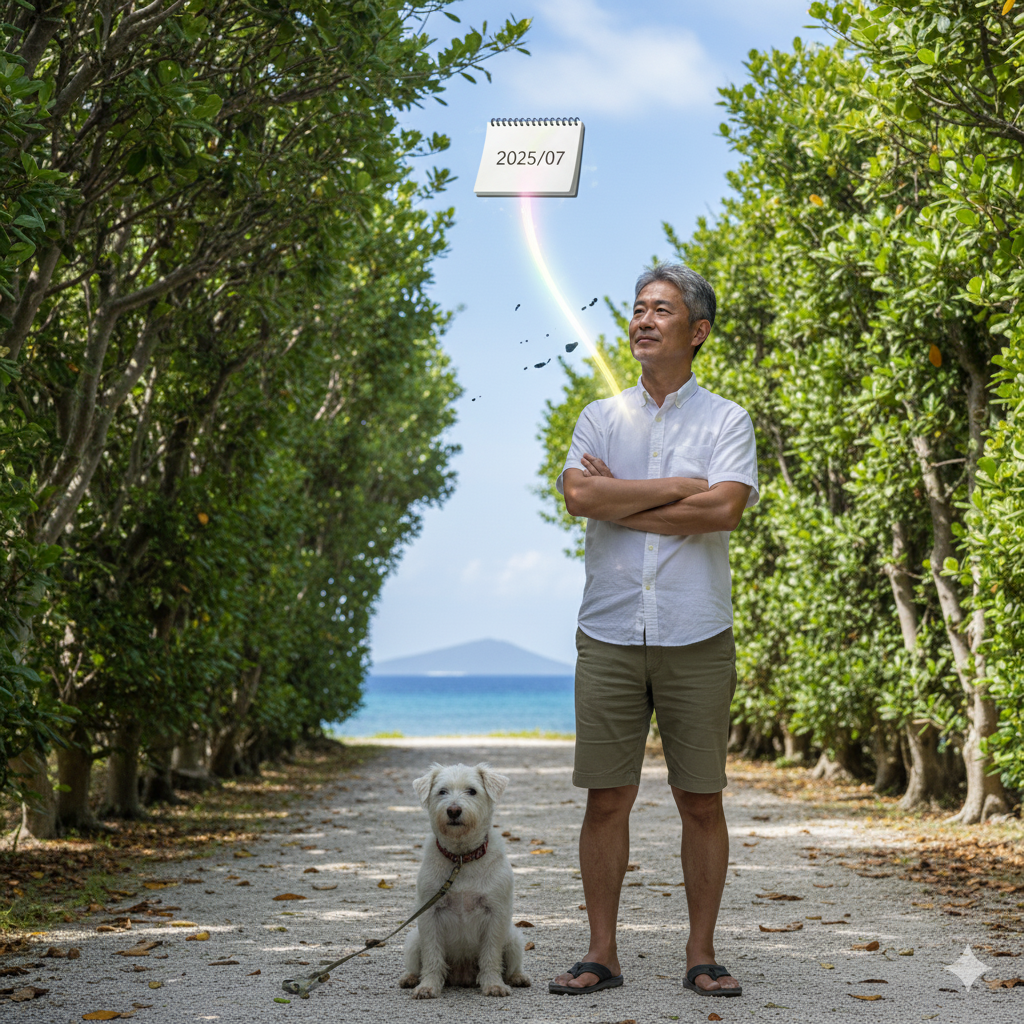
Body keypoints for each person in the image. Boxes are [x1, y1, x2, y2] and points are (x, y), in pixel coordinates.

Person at [547, 264, 758, 1000]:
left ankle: (702, 954)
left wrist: (620, 501)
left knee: (700, 800)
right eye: (637, 309)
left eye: (660, 310)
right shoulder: (601, 418)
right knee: (606, 798)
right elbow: (578, 494)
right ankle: (601, 952)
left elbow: (724, 511)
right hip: (607, 630)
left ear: (696, 332)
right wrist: (676, 488)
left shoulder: (727, 421)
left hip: (696, 633)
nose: (642, 320)